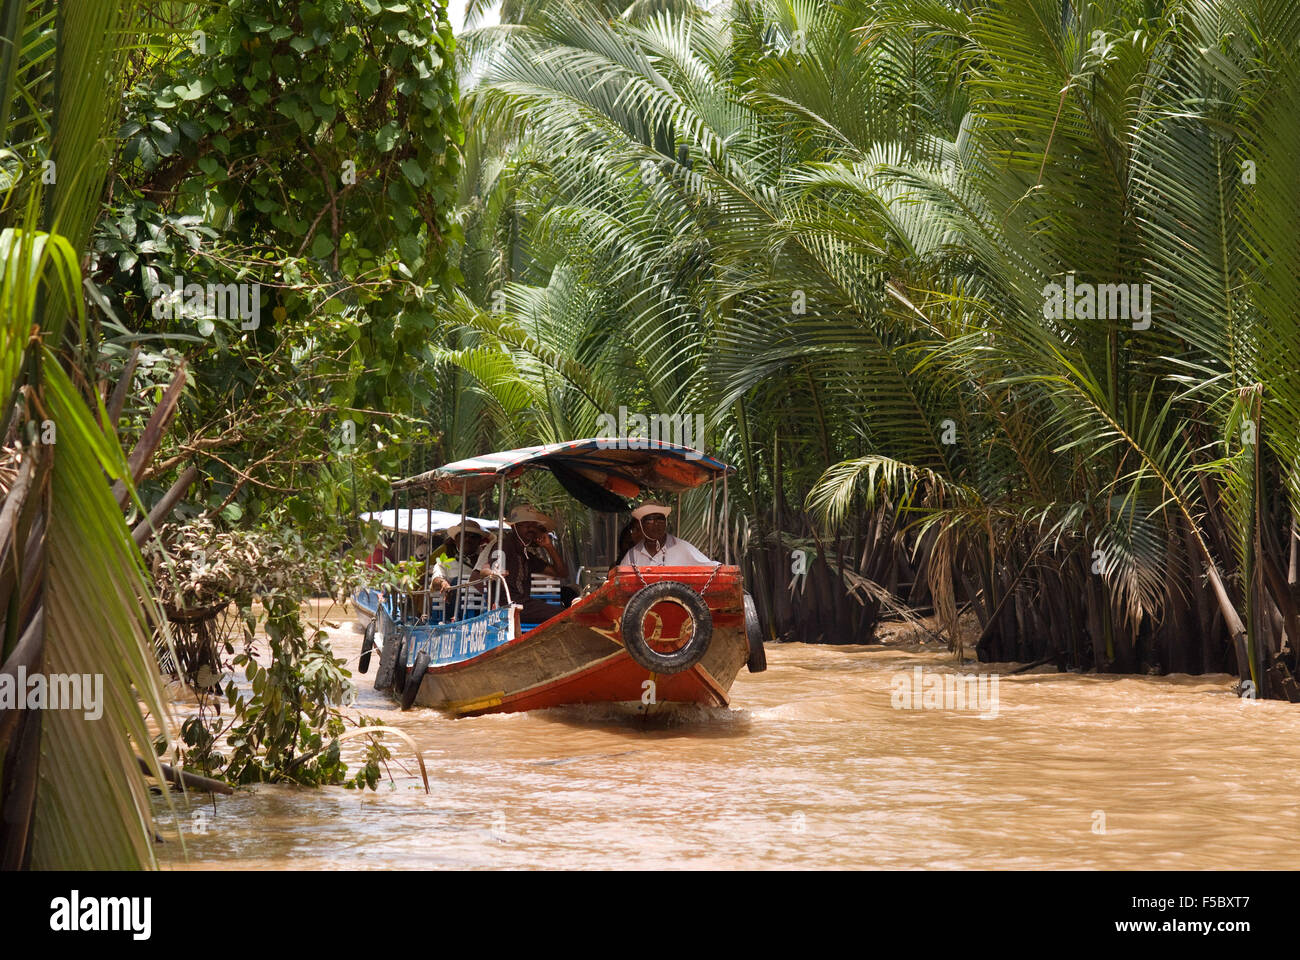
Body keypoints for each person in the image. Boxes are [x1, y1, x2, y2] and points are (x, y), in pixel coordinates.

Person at [478, 504, 568, 624]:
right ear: (515, 526)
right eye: (526, 525)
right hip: (508, 606)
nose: (531, 529)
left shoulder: (526, 555)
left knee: (564, 613)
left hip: (523, 605)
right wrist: (493, 572)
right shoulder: (505, 545)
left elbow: (561, 573)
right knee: (563, 615)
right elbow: (485, 570)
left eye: (534, 525)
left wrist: (548, 546)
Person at [618, 502, 717, 567]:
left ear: (665, 522)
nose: (656, 523)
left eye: (660, 519)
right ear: (641, 525)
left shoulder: (682, 548)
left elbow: (712, 567)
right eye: (650, 519)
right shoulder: (632, 556)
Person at [429, 520, 492, 617]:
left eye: (473, 537)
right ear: (455, 539)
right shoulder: (444, 563)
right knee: (456, 581)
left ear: (479, 541)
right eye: (464, 536)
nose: (467, 539)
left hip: (484, 611)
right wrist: (443, 583)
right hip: (455, 613)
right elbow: (436, 580)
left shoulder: (487, 561)